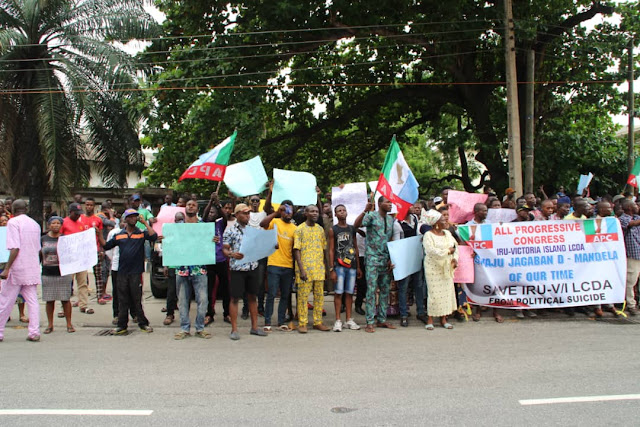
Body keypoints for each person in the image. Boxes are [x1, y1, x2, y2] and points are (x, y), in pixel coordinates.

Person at [98, 209, 157, 334]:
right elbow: (106, 245)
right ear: (125, 219)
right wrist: (98, 235)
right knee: (122, 299)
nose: (133, 219)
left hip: (136, 272)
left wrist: (145, 223)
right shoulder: (119, 235)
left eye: (135, 217)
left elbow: (154, 236)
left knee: (136, 299)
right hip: (122, 272)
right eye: (130, 217)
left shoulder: (141, 233)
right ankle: (121, 325)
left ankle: (143, 323)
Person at [222, 204, 268, 340]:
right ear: (236, 215)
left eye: (248, 213)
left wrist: (271, 245)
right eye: (244, 213)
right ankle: (234, 329)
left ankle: (254, 327)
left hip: (252, 267)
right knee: (235, 298)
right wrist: (231, 254)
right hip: (237, 269)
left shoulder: (253, 230)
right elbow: (224, 249)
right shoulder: (230, 230)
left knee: (253, 297)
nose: (247, 216)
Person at [0, 200, 42, 342]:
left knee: (6, 300)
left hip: (17, 267)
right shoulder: (35, 224)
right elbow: (38, 248)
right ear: (26, 209)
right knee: (32, 300)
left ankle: (0, 332)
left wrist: (7, 268)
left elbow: (15, 248)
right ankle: (34, 331)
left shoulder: (13, 223)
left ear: (12, 209)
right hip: (32, 266)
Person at [354, 197, 396, 333]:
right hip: (372, 258)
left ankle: (382, 319)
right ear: (379, 204)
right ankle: (370, 321)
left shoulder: (390, 220)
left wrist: (391, 257)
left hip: (385, 259)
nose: (390, 205)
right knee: (371, 290)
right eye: (387, 202)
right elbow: (356, 225)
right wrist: (364, 211)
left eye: (391, 203)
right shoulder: (371, 216)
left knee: (385, 291)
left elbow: (390, 239)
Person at [172, 200, 211, 340]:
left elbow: (208, 246)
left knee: (203, 300)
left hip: (199, 268)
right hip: (181, 268)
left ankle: (200, 328)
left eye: (193, 205)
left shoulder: (203, 227)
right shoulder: (176, 227)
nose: (190, 206)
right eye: (188, 204)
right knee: (182, 300)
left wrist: (213, 240)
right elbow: (172, 245)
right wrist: (165, 239)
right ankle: (184, 328)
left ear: (197, 209)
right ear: (185, 208)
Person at [293, 204, 330, 333]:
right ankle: (302, 323)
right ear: (306, 214)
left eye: (316, 211)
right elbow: (296, 250)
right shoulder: (299, 229)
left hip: (319, 268)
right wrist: (301, 269)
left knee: (319, 296)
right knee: (303, 297)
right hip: (305, 269)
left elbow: (324, 249)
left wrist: (326, 267)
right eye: (312, 211)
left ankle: (317, 322)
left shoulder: (320, 229)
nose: (315, 214)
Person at [260, 200, 297, 332]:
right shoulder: (275, 222)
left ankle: (281, 321)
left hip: (288, 266)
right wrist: (275, 212)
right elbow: (262, 224)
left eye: (290, 211)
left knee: (285, 295)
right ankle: (268, 322)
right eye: (285, 210)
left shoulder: (295, 228)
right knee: (271, 293)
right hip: (274, 264)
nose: (288, 213)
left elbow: (296, 249)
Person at [422, 209, 458, 330]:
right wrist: (447, 251)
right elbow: (431, 251)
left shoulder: (447, 234)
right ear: (436, 222)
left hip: (447, 268)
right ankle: (430, 319)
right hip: (433, 268)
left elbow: (455, 247)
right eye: (443, 220)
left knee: (446, 293)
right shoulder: (428, 235)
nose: (446, 221)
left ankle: (444, 319)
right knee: (434, 294)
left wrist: (454, 258)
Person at [467, 203, 503, 323]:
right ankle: (478, 311)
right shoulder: (468, 226)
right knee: (479, 286)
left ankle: (496, 311)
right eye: (483, 211)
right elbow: (466, 243)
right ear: (476, 212)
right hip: (477, 262)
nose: (486, 213)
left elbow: (495, 240)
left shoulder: (489, 224)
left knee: (494, 285)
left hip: (490, 261)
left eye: (486, 211)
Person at [328, 205, 361, 331]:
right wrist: (332, 268)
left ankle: (349, 319)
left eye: (344, 210)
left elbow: (355, 247)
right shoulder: (333, 230)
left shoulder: (352, 229)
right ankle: (338, 320)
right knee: (338, 293)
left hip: (351, 266)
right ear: (335, 215)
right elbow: (331, 250)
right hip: (339, 266)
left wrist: (358, 266)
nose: (342, 212)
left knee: (349, 293)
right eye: (339, 211)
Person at [40, 216, 75, 334]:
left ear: (61, 226)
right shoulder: (43, 239)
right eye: (53, 223)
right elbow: (39, 255)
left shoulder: (65, 239)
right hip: (47, 273)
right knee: (49, 300)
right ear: (49, 225)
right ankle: (50, 325)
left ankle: (69, 324)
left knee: (65, 299)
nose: (55, 225)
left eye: (58, 223)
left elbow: (71, 254)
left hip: (63, 273)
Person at [395, 202, 427, 326]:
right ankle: (403, 314)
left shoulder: (415, 218)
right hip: (404, 259)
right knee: (403, 287)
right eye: (410, 206)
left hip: (415, 256)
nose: (413, 208)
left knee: (418, 285)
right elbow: (397, 244)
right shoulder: (397, 224)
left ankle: (420, 312)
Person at [60, 202, 93, 314]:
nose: (78, 216)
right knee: (67, 283)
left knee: (83, 283)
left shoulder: (81, 224)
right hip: (69, 259)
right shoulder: (63, 223)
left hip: (80, 258)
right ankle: (63, 307)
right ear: (70, 212)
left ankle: (83, 305)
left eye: (79, 214)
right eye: (76, 213)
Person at [619, 200, 640, 316]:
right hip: (632, 255)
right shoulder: (623, 218)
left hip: (638, 253)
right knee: (630, 281)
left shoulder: (636, 217)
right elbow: (630, 224)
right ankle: (631, 304)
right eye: (635, 205)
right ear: (628, 207)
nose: (637, 207)